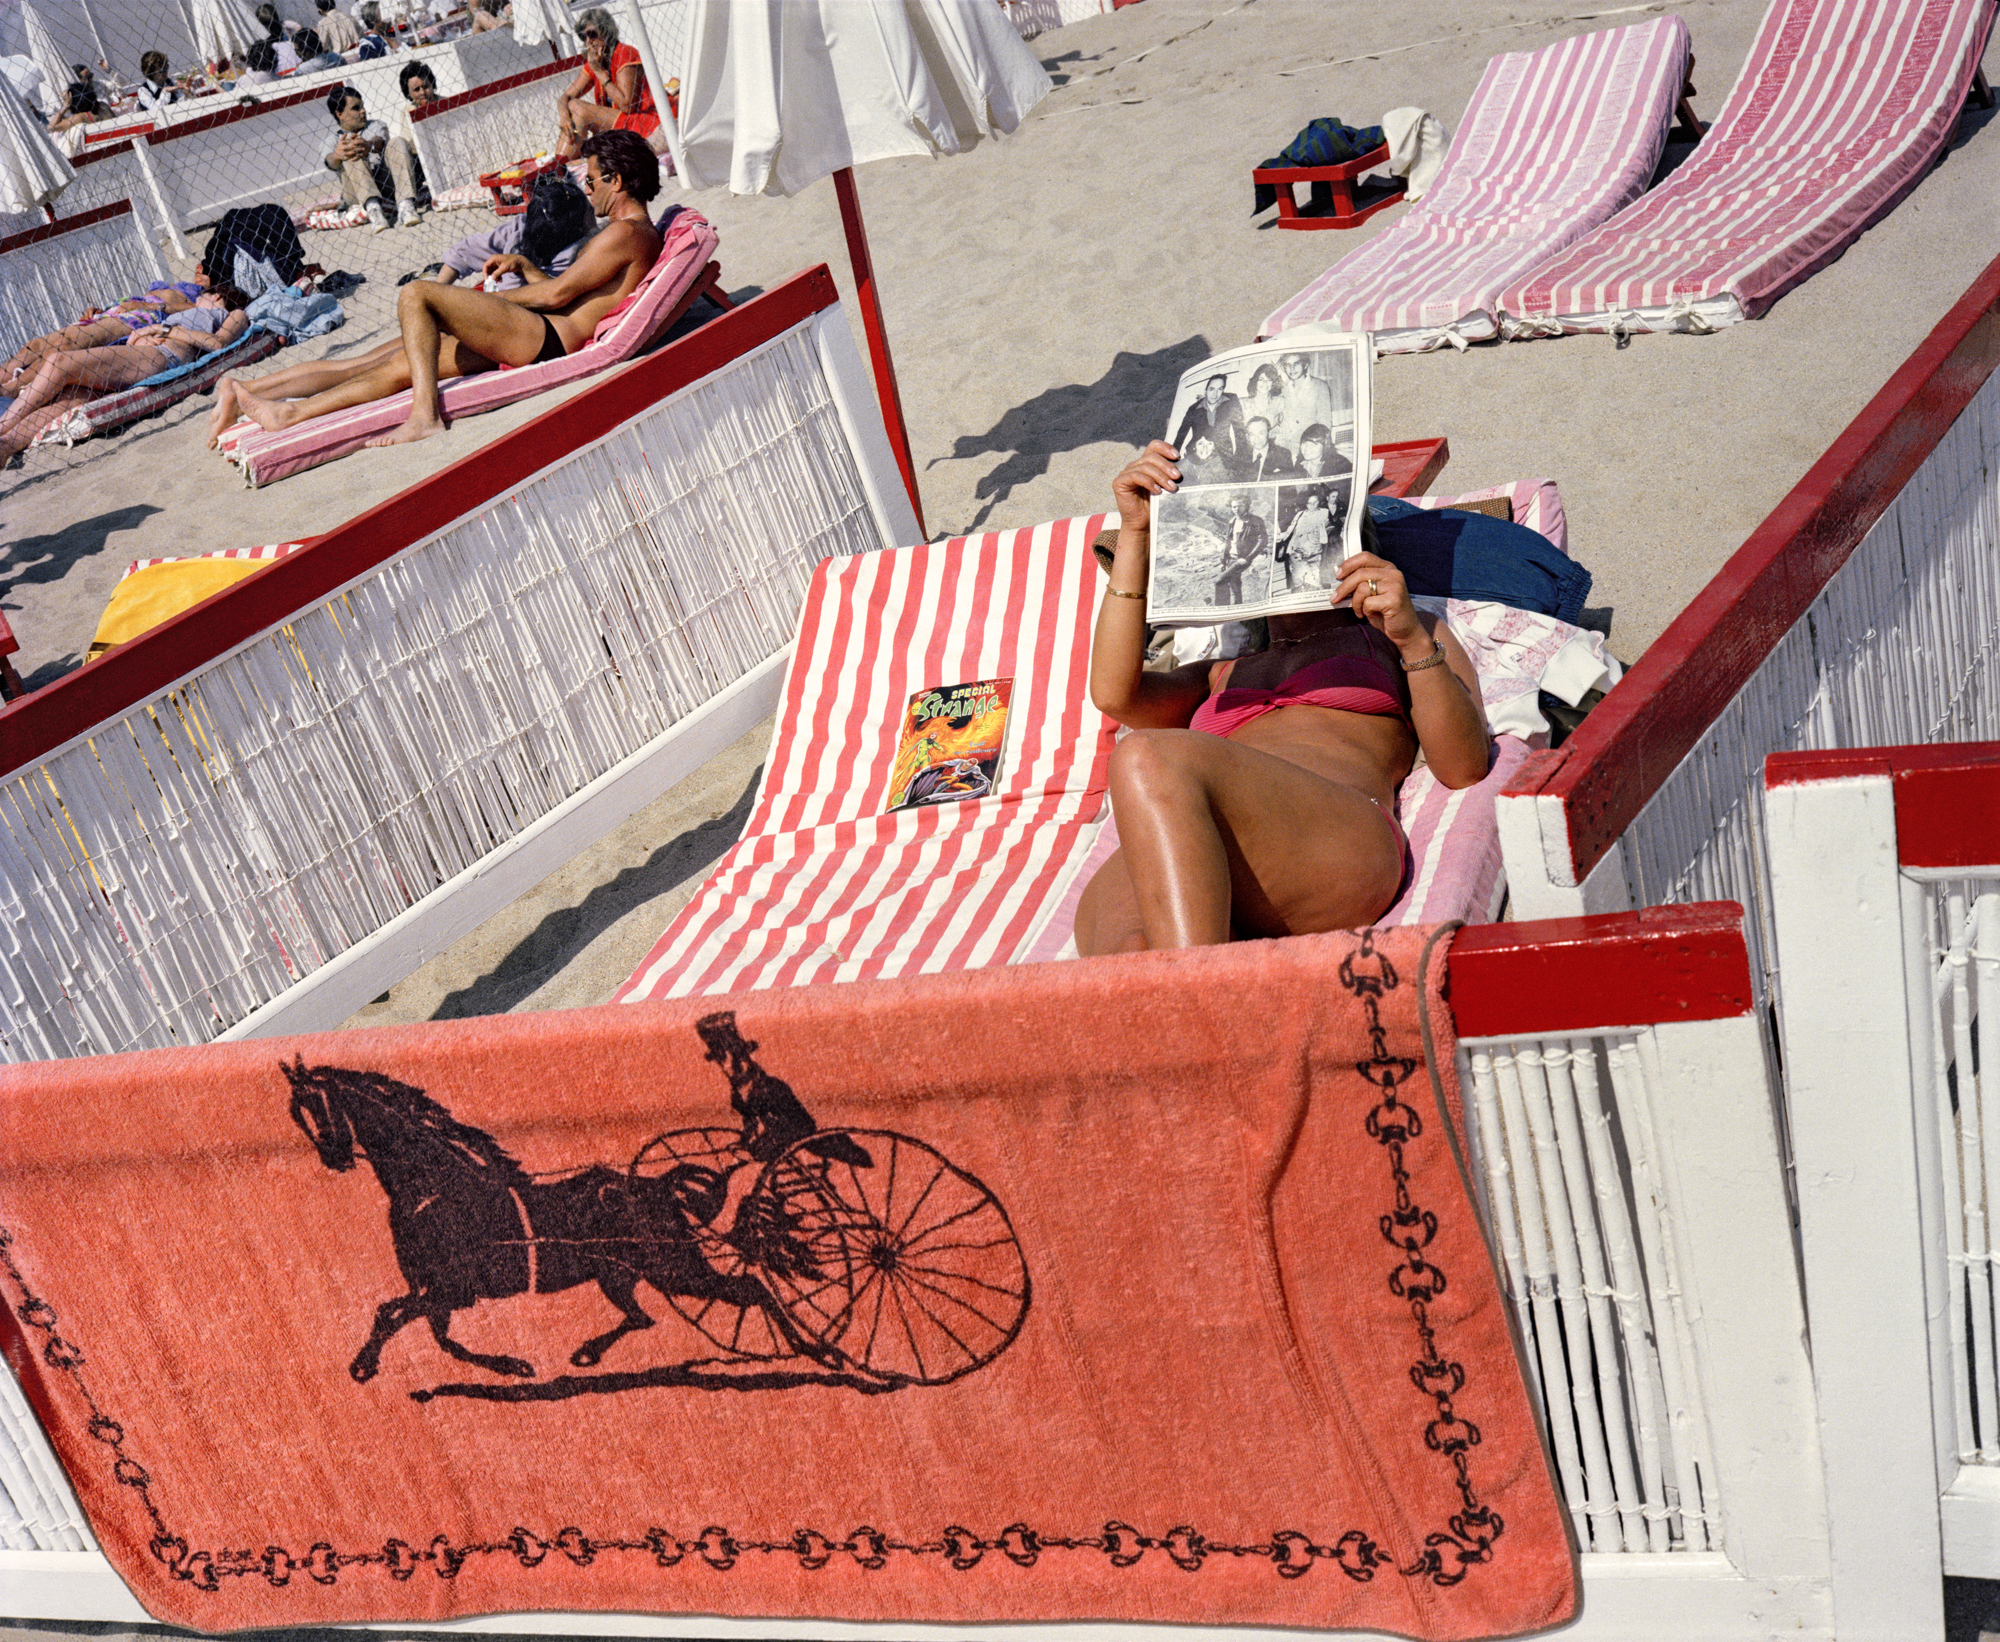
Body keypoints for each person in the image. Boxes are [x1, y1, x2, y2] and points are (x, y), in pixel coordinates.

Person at [1072, 441, 1489, 954]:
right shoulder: (1222, 670)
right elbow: (1114, 694)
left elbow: (1464, 766)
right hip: (1211, 851)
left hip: (1331, 838)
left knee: (1143, 757)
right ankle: (1201, 1005)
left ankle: (1191, 994)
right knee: (1134, 952)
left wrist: (1410, 640)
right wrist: (1135, 532)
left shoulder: (1400, 632)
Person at [214, 129, 663, 449]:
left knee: (418, 295)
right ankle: (282, 410)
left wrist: (487, 302)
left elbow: (556, 297)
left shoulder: (625, 234)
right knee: (397, 361)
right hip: (541, 330)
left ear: (616, 181)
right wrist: (524, 266)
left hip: (546, 337)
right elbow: (569, 292)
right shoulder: (624, 234)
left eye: (591, 179)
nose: (587, 189)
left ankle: (425, 416)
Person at [0, 291, 250, 464]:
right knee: (71, 397)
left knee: (60, 362)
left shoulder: (233, 313)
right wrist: (142, 334)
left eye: (202, 296)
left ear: (217, 296)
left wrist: (161, 329)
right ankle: (6, 445)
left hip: (162, 355)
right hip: (137, 359)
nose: (196, 299)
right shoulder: (186, 313)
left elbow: (218, 343)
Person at [1, 279, 213, 392]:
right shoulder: (166, 284)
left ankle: (11, 389)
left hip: (141, 316)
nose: (199, 267)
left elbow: (192, 308)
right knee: (36, 345)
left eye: (204, 267)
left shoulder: (200, 294)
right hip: (112, 313)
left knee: (65, 344)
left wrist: (145, 305)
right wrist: (97, 310)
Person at [432, 173, 594, 287]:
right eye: (590, 211)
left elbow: (465, 250)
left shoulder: (576, 253)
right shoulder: (575, 250)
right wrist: (439, 292)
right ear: (577, 227)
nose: (592, 209)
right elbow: (465, 251)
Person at [555, 7, 658, 157]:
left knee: (578, 108)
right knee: (572, 106)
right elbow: (566, 97)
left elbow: (627, 106)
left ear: (606, 32)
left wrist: (599, 73)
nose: (588, 42)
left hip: (644, 122)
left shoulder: (625, 54)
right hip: (619, 126)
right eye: (583, 37)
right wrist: (564, 117)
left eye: (592, 34)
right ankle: (560, 164)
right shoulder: (597, 61)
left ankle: (560, 165)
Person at [324, 83, 421, 231]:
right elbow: (330, 161)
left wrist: (369, 146)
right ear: (339, 113)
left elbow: (380, 141)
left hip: (385, 184)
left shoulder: (375, 125)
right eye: (356, 108)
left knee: (398, 142)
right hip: (356, 192)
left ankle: (406, 206)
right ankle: (373, 210)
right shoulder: (331, 140)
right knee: (349, 147)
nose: (363, 111)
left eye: (362, 106)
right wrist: (338, 155)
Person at [1172, 374, 1245, 467]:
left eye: (1220, 389)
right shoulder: (1193, 409)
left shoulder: (1231, 401)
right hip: (1198, 453)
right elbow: (1181, 434)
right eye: (1211, 389)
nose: (1215, 394)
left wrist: (1242, 457)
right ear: (1205, 391)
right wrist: (1172, 457)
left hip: (1223, 453)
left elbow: (1240, 429)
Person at [1272, 486, 1334, 594]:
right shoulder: (1300, 514)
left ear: (1319, 501)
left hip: (1315, 549)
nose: (1312, 505)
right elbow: (1290, 529)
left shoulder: (1324, 512)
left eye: (1315, 502)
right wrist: (1280, 537)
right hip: (1297, 549)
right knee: (1298, 577)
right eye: (1309, 503)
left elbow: (1328, 527)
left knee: (1315, 577)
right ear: (1305, 503)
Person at [1212, 491, 1266, 607]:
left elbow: (1262, 541)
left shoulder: (1256, 521)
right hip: (1231, 557)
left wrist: (1248, 558)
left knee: (1219, 581)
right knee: (1235, 584)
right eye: (1234, 506)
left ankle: (1220, 610)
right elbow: (1228, 541)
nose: (1236, 509)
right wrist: (1224, 559)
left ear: (1246, 505)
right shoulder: (1232, 521)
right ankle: (1238, 606)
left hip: (1242, 559)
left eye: (1240, 506)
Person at [1277, 352, 1335, 442]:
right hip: (1285, 443)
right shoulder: (1284, 389)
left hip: (1308, 443)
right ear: (1284, 368)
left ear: (1305, 365)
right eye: (1288, 365)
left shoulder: (1320, 386)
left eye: (1296, 364)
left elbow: (1324, 422)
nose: (1292, 369)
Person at [1239, 415, 1296, 481]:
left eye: (1261, 433)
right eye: (1252, 434)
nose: (1256, 439)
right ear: (1248, 437)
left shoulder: (1283, 454)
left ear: (1268, 433)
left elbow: (1288, 487)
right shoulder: (1241, 456)